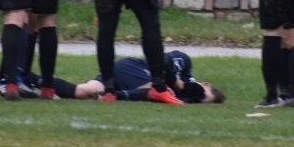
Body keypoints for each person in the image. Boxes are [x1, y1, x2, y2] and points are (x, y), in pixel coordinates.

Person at [41, 50, 226, 104]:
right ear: (206, 84)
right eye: (204, 92)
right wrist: (179, 83)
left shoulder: (188, 98)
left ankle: (32, 81)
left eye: (202, 100)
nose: (199, 96)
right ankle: (116, 96)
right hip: (132, 68)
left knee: (83, 91)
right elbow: (162, 60)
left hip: (128, 80)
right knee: (160, 90)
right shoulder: (184, 63)